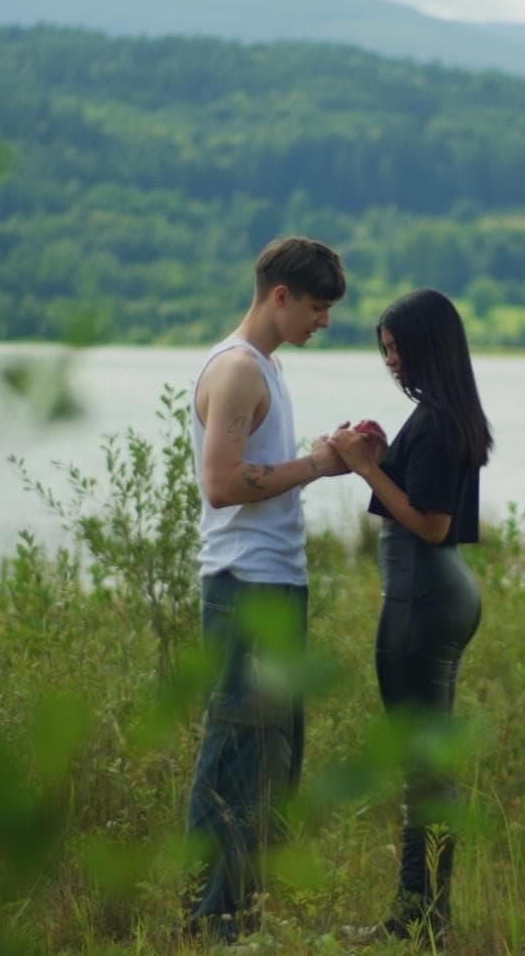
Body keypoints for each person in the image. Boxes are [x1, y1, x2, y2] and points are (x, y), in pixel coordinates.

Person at [185, 235, 348, 944]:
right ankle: (210, 921)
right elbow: (221, 485)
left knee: (275, 760)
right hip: (244, 586)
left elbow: (259, 468)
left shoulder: (269, 367)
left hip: (275, 584)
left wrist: (322, 455)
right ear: (280, 297)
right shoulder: (238, 371)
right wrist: (314, 465)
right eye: (317, 307)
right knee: (238, 753)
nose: (325, 321)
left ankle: (239, 916)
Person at [328, 288, 493, 948]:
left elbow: (428, 522)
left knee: (420, 768)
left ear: (427, 344)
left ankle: (420, 922)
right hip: (440, 594)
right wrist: (378, 454)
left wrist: (368, 467)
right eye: (385, 352)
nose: (391, 362)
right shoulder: (444, 416)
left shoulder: (435, 422)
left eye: (397, 349)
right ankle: (421, 916)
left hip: (423, 599)